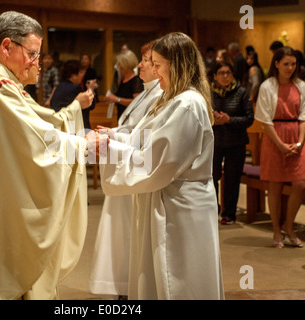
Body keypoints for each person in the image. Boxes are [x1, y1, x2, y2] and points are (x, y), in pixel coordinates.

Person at [0, 11, 98, 300]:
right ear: (7, 46)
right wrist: (83, 145)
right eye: (32, 53)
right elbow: (35, 143)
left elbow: (38, 125)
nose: (36, 63)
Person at [98, 32, 224, 300]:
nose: (152, 70)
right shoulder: (170, 98)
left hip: (180, 206)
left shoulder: (188, 103)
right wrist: (113, 138)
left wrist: (110, 148)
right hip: (165, 198)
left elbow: (161, 161)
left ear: (177, 64)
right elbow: (144, 139)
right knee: (155, 275)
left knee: (178, 278)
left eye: (157, 63)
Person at [89, 40, 163, 299]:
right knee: (121, 233)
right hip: (126, 162)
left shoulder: (161, 95)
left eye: (146, 59)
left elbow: (148, 138)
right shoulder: (146, 92)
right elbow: (132, 129)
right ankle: (124, 286)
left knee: (130, 235)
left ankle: (129, 287)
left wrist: (115, 138)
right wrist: (114, 134)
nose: (141, 64)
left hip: (135, 167)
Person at [255, 46, 305, 248]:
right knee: (275, 185)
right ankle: (276, 231)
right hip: (274, 136)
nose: (290, 68)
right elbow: (264, 119)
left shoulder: (301, 86)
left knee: (299, 184)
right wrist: (280, 144)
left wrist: (300, 141)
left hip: (296, 135)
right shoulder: (267, 86)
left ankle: (289, 225)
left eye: (293, 64)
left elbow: (304, 115)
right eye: (286, 64)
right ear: (276, 64)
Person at [211, 62, 254, 225]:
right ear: (215, 76)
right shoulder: (208, 93)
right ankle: (212, 210)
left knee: (232, 179)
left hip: (236, 143)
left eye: (228, 73)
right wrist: (213, 120)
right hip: (214, 142)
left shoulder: (241, 92)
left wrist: (229, 120)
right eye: (221, 73)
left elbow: (249, 119)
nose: (225, 76)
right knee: (211, 178)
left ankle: (229, 214)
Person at [50, 60, 97, 129]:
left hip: (59, 126)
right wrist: (90, 89)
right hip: (73, 129)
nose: (83, 75)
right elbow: (90, 105)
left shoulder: (59, 87)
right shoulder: (74, 88)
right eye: (80, 72)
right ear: (73, 75)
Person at [106, 49, 143, 120]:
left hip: (131, 119)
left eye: (120, 64)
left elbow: (137, 102)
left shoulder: (136, 81)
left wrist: (117, 99)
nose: (119, 66)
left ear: (126, 64)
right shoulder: (122, 79)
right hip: (121, 117)